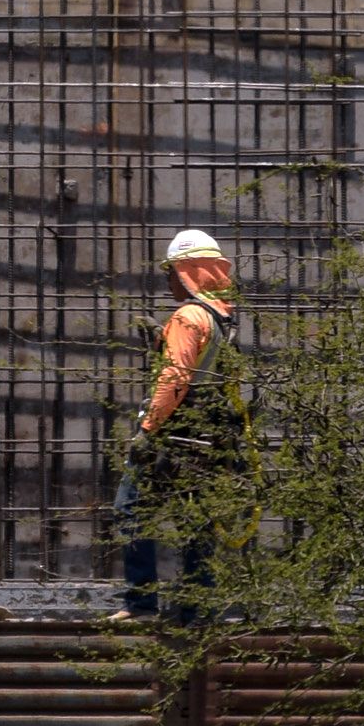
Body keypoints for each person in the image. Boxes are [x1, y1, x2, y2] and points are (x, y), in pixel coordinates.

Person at [119, 225, 250, 618]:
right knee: (196, 518)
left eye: (171, 272)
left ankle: (141, 603)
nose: (168, 280)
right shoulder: (221, 318)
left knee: (131, 508)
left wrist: (146, 431)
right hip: (205, 436)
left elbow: (174, 378)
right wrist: (164, 340)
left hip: (172, 436)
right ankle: (195, 609)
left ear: (186, 272)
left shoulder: (189, 316)